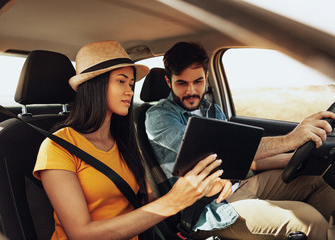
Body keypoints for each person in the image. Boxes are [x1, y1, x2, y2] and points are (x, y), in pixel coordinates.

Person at [33, 40, 233, 240]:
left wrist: (202, 189)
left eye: (131, 83)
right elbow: (80, 234)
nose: (130, 90)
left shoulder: (124, 142)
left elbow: (149, 201)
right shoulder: (58, 146)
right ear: (95, 84)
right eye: (121, 81)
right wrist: (173, 201)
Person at [145, 41, 335, 240]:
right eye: (182, 83)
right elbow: (218, 150)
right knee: (309, 221)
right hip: (208, 208)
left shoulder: (213, 110)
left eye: (198, 81)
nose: (191, 91)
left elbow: (241, 160)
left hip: (240, 185)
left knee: (320, 182)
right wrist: (290, 139)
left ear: (207, 78)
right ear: (168, 82)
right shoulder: (159, 117)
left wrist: (299, 156)